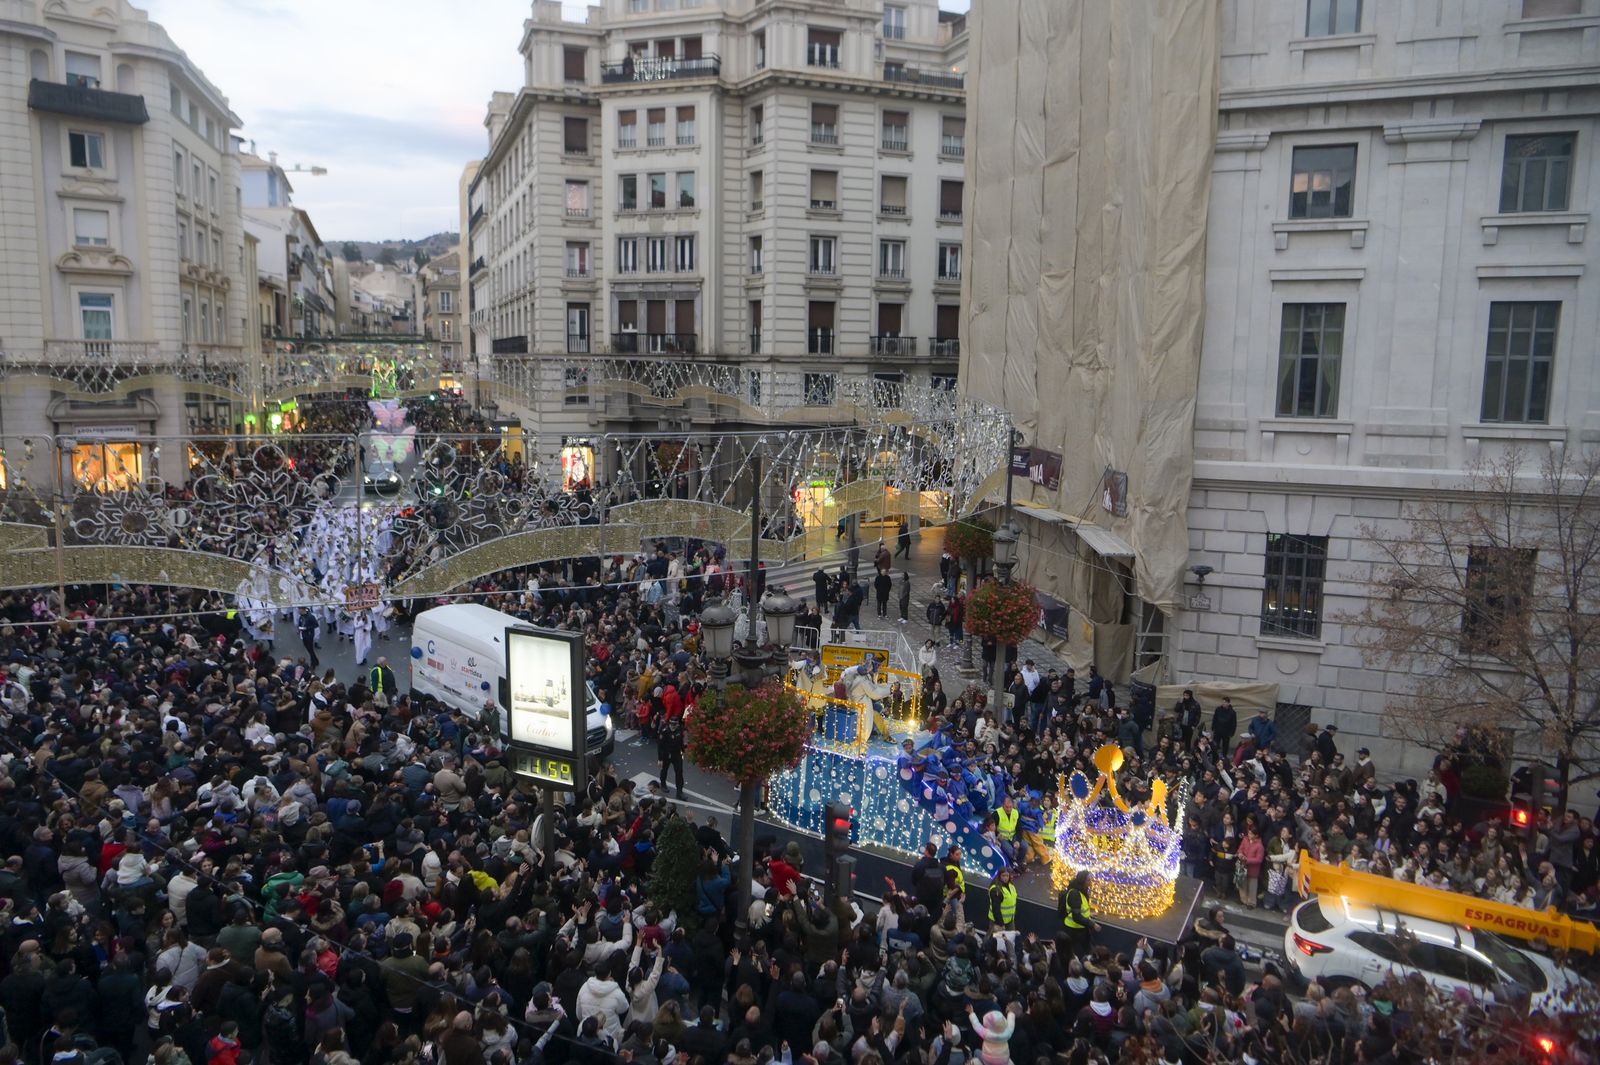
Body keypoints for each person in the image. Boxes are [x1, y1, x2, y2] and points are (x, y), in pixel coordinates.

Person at [1059, 869, 1097, 959]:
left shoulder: (1082, 891)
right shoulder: (1075, 894)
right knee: (1073, 953)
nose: (1090, 882)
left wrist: (1088, 914)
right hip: (1073, 930)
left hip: (1081, 928)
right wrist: (1092, 924)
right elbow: (1076, 916)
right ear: (1082, 881)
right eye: (1088, 880)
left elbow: (1080, 909)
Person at [657, 706, 686, 799]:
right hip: (667, 754)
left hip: (677, 754)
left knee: (679, 772)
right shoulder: (665, 731)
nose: (673, 726)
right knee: (664, 770)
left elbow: (681, 741)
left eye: (675, 725)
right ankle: (663, 784)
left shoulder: (680, 730)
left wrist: (683, 751)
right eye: (672, 724)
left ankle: (679, 792)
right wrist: (660, 759)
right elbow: (660, 746)